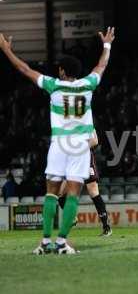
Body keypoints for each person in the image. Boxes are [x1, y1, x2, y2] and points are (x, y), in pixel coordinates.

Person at [0, 26, 115, 254]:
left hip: (59, 144)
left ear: (62, 71)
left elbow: (24, 69)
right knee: (73, 193)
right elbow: (101, 65)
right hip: (80, 146)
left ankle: (44, 243)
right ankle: (62, 242)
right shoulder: (88, 84)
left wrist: (6, 50)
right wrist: (107, 45)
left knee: (52, 192)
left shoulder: (54, 85)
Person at [58, 130, 112, 237]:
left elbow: (95, 141)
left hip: (85, 160)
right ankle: (72, 217)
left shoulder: (87, 123)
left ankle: (106, 227)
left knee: (93, 192)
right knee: (60, 194)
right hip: (73, 162)